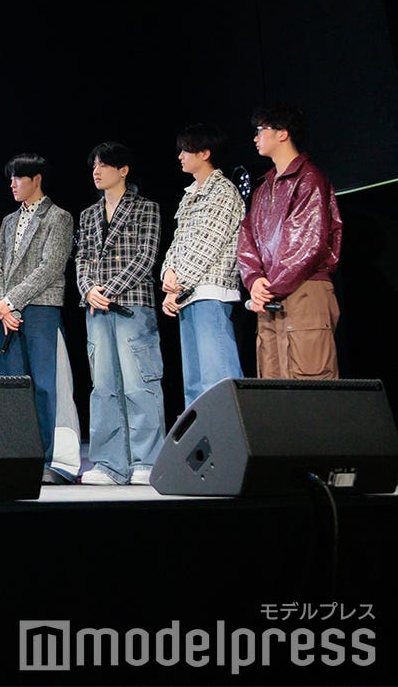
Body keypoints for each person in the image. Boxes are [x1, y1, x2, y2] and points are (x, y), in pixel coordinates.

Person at [74, 142, 165, 486]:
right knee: (103, 387)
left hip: (132, 305)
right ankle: (109, 464)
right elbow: (82, 258)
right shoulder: (88, 214)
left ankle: (146, 460)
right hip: (96, 308)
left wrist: (108, 289)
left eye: (103, 165)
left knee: (139, 383)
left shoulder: (146, 208)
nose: (96, 171)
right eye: (94, 166)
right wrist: (88, 289)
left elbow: (146, 256)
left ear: (123, 170)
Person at [236, 103, 343, 379]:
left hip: (305, 290)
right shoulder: (262, 190)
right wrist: (254, 280)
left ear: (283, 133)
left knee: (308, 380)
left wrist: (269, 287)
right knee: (272, 379)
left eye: (261, 130)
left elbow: (308, 244)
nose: (255, 137)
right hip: (270, 295)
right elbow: (247, 237)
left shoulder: (310, 179)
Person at [0, 154, 74, 484]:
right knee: (11, 386)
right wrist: (3, 305)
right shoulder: (9, 221)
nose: (12, 184)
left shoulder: (58, 217)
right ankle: (16, 457)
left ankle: (49, 459)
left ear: (36, 179)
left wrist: (11, 300)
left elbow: (50, 267)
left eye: (18, 177)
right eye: (10, 178)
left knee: (44, 385)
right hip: (8, 312)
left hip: (41, 308)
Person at [159, 123, 246, 406]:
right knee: (194, 384)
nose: (180, 156)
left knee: (217, 378)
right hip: (188, 295)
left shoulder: (223, 191)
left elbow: (207, 244)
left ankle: (229, 433)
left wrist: (178, 284)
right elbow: (178, 241)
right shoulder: (189, 194)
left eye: (186, 150)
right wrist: (168, 273)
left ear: (205, 153)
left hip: (211, 291)